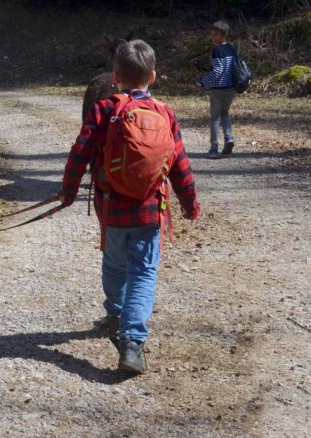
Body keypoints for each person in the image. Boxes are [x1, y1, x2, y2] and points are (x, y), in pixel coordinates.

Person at [59, 39, 200, 374]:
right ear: (152, 76)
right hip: (151, 210)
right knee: (144, 272)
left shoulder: (103, 109)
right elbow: (180, 165)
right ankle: (132, 342)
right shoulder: (165, 113)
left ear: (116, 74)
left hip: (111, 208)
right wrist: (190, 204)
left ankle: (115, 311)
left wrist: (68, 192)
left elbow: (79, 154)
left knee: (114, 263)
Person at [197, 21, 237, 159]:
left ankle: (214, 149)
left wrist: (203, 83)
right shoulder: (231, 48)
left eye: (216, 34)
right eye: (212, 34)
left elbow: (218, 70)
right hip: (231, 87)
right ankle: (229, 138)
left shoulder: (217, 50)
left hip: (219, 89)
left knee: (215, 118)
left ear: (224, 35)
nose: (213, 37)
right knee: (225, 114)